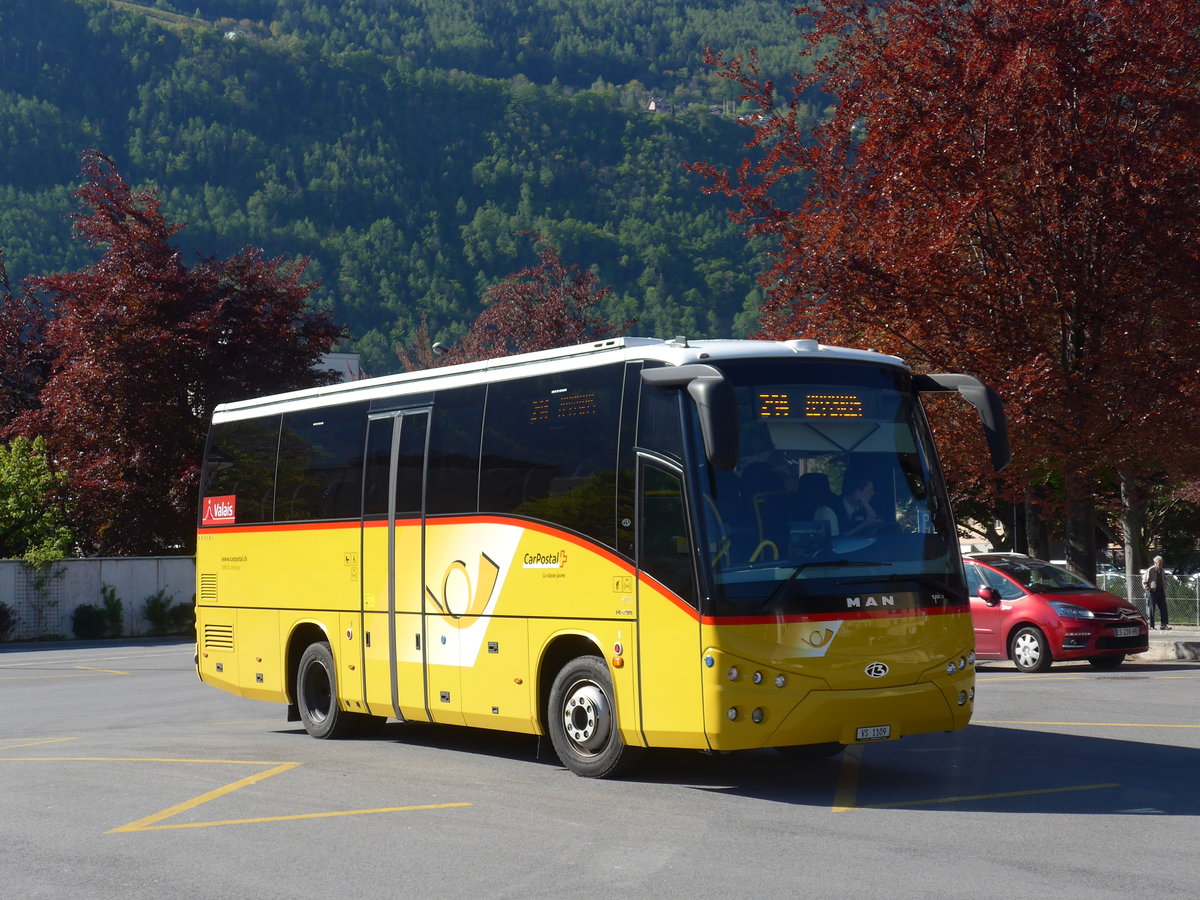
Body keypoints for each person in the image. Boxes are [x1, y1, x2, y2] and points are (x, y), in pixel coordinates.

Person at [839, 472, 882, 537]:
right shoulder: (831, 510)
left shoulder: (862, 510)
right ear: (857, 493)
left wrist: (872, 526)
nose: (873, 493)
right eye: (869, 490)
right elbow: (837, 541)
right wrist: (864, 525)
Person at [1142, 555, 1170, 631]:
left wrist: (1164, 589)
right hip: (1152, 592)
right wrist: (1148, 589)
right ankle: (1151, 626)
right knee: (1152, 609)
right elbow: (1144, 581)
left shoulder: (1162, 570)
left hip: (1161, 592)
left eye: (1162, 563)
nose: (1161, 564)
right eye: (1159, 563)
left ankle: (1163, 625)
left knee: (1163, 608)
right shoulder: (1150, 570)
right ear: (1155, 563)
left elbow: (1164, 580)